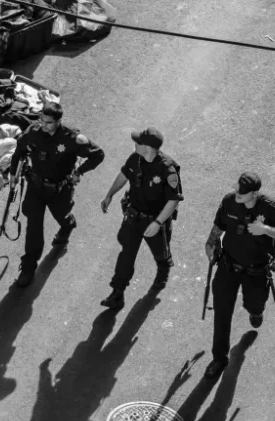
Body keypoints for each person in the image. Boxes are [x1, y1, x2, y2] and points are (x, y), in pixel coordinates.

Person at [203, 172, 275, 378]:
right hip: (228, 266)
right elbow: (218, 226)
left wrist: (266, 229)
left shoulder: (271, 208)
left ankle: (256, 311)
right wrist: (210, 244)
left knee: (255, 304)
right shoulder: (229, 201)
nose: (237, 194)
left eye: (242, 193)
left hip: (256, 270)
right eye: (237, 189)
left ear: (254, 193)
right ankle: (219, 358)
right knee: (221, 313)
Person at [9, 102, 105, 287]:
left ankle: (68, 225)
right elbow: (19, 150)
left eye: (48, 122)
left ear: (59, 121)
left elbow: (98, 154)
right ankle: (29, 266)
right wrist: (13, 174)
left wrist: (79, 172)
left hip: (59, 189)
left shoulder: (71, 137)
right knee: (33, 226)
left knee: (62, 216)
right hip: (35, 187)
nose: (43, 125)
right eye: (41, 120)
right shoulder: (34, 131)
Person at [99, 127, 182, 309]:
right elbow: (124, 174)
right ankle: (117, 293)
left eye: (138, 142)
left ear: (148, 148)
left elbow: (173, 200)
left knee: (160, 252)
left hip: (155, 221)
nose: (134, 144)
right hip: (133, 217)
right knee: (126, 255)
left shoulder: (168, 169)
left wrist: (158, 222)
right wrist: (109, 195)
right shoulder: (135, 158)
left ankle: (163, 268)